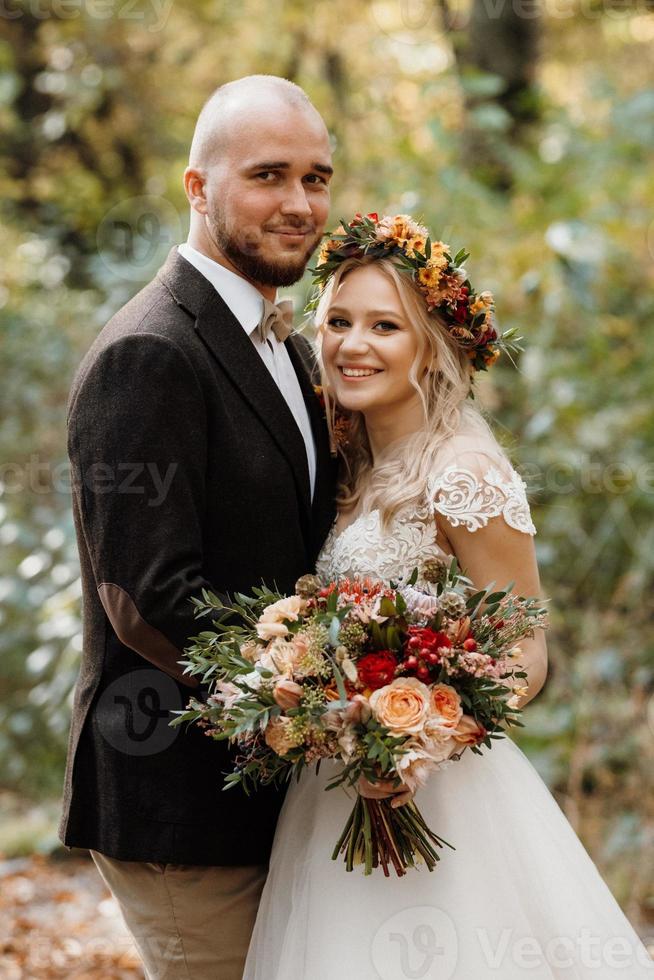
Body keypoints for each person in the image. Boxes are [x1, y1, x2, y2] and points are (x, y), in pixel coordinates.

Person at [243, 213, 654, 979]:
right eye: (337, 321)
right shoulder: (350, 460)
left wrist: (423, 735)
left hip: (442, 798)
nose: (351, 345)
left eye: (383, 326)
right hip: (331, 792)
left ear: (429, 346)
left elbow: (527, 650)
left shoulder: (465, 471)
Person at [58, 75, 337, 980]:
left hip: (281, 797)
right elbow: (147, 596)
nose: (299, 204)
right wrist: (320, 695)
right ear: (196, 186)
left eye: (317, 177)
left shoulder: (289, 346)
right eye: (268, 175)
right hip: (180, 792)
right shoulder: (150, 352)